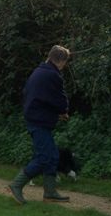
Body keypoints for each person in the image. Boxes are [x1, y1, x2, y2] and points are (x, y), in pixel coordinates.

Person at [7, 45, 72, 204]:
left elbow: (38, 97)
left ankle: (50, 193)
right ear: (61, 61)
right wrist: (63, 111)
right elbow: (58, 98)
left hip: (35, 117)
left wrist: (55, 111)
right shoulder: (53, 75)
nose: (64, 66)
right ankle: (17, 184)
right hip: (39, 121)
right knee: (44, 157)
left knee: (52, 156)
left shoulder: (38, 72)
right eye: (65, 62)